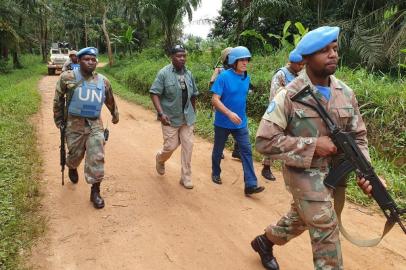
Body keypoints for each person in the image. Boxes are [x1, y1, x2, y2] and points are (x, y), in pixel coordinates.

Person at [250, 26, 376, 270]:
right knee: (325, 225)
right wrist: (311, 145)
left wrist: (365, 169)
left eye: (335, 49)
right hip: (303, 172)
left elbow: (359, 136)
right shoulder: (288, 96)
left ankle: (265, 241)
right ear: (306, 59)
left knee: (300, 219)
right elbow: (263, 141)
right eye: (324, 51)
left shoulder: (346, 93)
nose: (332, 55)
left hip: (334, 174)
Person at [53, 47, 119, 209]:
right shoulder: (67, 77)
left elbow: (109, 99)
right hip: (73, 126)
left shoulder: (103, 81)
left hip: (95, 126)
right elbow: (58, 100)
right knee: (75, 154)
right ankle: (72, 166)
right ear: (79, 60)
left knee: (97, 156)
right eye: (86, 59)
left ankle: (95, 191)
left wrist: (114, 114)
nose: (90, 62)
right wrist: (59, 120)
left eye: (93, 59)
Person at [210, 46, 265, 196]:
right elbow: (215, 100)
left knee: (246, 151)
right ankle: (215, 172)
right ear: (234, 61)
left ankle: (251, 184)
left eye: (247, 59)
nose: (245, 62)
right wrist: (228, 113)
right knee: (218, 149)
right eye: (242, 60)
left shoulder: (246, 77)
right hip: (223, 122)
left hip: (240, 122)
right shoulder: (223, 77)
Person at [150, 45, 199, 189]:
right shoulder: (163, 73)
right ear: (171, 57)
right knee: (170, 146)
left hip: (187, 118)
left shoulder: (189, 74)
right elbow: (154, 93)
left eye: (184, 56)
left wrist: (193, 114)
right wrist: (161, 113)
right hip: (170, 117)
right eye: (179, 56)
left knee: (188, 146)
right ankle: (160, 158)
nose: (182, 58)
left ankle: (186, 177)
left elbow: (194, 95)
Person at [261, 53, 305, 181]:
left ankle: (291, 168)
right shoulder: (281, 74)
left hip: (294, 113)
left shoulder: (299, 75)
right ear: (292, 63)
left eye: (303, 64)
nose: (301, 67)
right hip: (279, 112)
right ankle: (266, 167)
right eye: (299, 65)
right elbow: (275, 94)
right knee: (274, 139)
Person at [209, 47, 241, 160]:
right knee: (221, 130)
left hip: (235, 105)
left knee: (238, 127)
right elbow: (212, 85)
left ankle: (237, 150)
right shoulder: (219, 70)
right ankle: (219, 149)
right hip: (221, 105)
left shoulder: (239, 71)